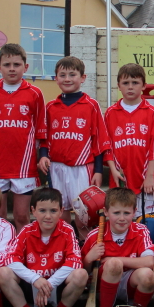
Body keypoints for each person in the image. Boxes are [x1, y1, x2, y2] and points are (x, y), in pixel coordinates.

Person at [38, 57, 110, 242]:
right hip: (57, 167)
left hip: (82, 168)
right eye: (62, 75)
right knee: (61, 214)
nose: (67, 78)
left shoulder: (91, 105)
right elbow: (44, 138)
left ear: (83, 77)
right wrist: (43, 156)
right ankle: (65, 249)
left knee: (83, 216)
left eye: (72, 74)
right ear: (56, 78)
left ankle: (86, 252)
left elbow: (99, 141)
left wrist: (99, 170)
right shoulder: (50, 107)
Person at [0, 43, 46, 233]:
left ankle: (21, 253)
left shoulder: (35, 94)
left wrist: (42, 154)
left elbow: (41, 129)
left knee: (21, 216)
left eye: (16, 64)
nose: (12, 69)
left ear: (25, 67)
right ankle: (1, 253)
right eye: (7, 65)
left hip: (23, 165)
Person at [3, 187, 88, 307]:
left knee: (81, 274)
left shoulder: (67, 230)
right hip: (32, 285)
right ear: (33, 211)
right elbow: (10, 259)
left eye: (53, 211)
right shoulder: (26, 231)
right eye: (42, 210)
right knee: (3, 272)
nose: (48, 216)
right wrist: (35, 279)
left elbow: (75, 260)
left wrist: (49, 283)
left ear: (61, 211)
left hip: (57, 285)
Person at [81, 188, 154, 307]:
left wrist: (114, 259)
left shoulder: (140, 230)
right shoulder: (95, 235)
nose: (122, 218)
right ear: (106, 212)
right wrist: (89, 257)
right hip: (104, 283)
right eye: (116, 213)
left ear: (134, 212)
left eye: (126, 213)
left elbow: (149, 262)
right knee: (114, 265)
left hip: (130, 281)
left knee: (147, 275)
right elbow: (83, 271)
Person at [104, 63, 154, 217]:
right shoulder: (110, 113)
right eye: (125, 83)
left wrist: (149, 176)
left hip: (145, 179)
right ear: (119, 85)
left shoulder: (152, 112)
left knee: (148, 224)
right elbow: (107, 146)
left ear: (143, 86)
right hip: (120, 177)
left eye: (135, 83)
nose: (130, 87)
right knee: (121, 220)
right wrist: (113, 170)